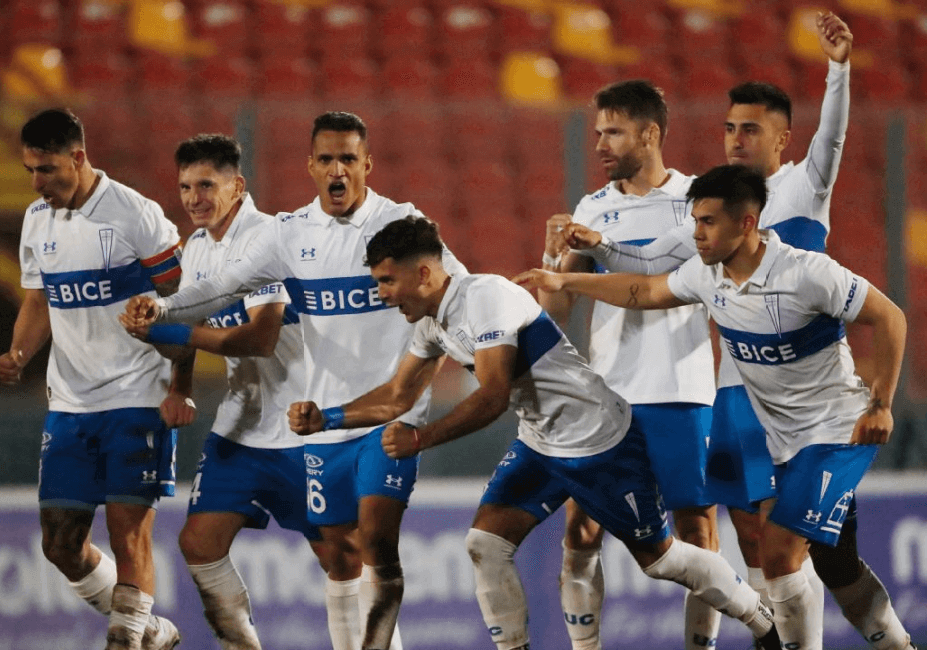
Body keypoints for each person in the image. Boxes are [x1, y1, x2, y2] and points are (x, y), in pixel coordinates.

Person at [549, 13, 916, 650]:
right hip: (741, 392)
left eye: (752, 128)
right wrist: (589, 253)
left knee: (815, 556)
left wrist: (838, 68)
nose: (737, 139)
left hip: (821, 404)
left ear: (783, 140)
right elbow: (646, 275)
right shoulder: (708, 211)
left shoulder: (803, 189)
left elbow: (834, 136)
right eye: (728, 127)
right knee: (758, 543)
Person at [287, 216, 783, 650]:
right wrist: (327, 419)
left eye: (386, 281)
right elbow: (398, 395)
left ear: (423, 272)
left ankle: (762, 622)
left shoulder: (486, 297)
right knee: (485, 544)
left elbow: (494, 393)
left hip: (600, 444)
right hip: (541, 445)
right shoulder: (433, 325)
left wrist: (422, 439)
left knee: (661, 560)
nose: (382, 294)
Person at [121, 112, 466, 650]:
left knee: (369, 544)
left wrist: (485, 343)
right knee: (331, 551)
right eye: (326, 159)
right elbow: (217, 291)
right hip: (320, 423)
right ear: (310, 166)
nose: (337, 169)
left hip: (379, 415)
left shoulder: (399, 224)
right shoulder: (287, 235)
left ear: (367, 164)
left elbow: (454, 290)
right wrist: (163, 308)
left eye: (348, 159)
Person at [121, 134, 356, 649]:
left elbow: (260, 336)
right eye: (185, 186)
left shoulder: (266, 238)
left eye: (206, 184)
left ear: (237, 186)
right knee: (199, 544)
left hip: (300, 427)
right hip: (242, 425)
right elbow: (188, 322)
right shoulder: (198, 249)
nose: (193, 197)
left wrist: (175, 330)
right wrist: (174, 374)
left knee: (339, 557)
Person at [538, 79, 721, 650]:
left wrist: (597, 249)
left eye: (613, 131)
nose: (600, 144)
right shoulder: (593, 208)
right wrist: (551, 259)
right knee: (581, 527)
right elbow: (558, 308)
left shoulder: (698, 202)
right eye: (597, 132)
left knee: (696, 530)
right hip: (609, 394)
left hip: (680, 388)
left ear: (650, 133)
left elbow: (657, 280)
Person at [0, 108, 187, 650]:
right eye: (30, 170)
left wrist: (180, 384)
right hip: (71, 403)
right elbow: (39, 297)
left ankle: (126, 639)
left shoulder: (135, 214)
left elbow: (184, 298)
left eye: (48, 169)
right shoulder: (38, 220)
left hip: (137, 395)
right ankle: (150, 630)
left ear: (78, 158)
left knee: (129, 536)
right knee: (59, 543)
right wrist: (19, 352)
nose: (38, 183)